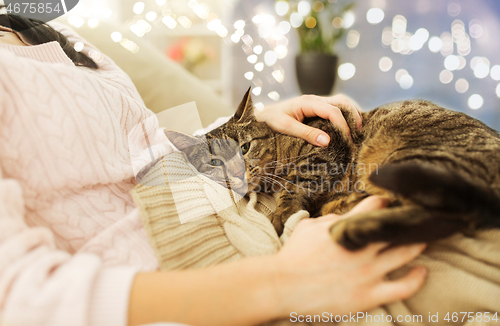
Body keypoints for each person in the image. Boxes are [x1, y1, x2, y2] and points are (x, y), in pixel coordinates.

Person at [0, 12, 427, 326]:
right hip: (203, 287)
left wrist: (248, 130)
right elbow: (19, 299)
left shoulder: (43, 22)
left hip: (231, 223)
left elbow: (140, 152)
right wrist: (286, 282)